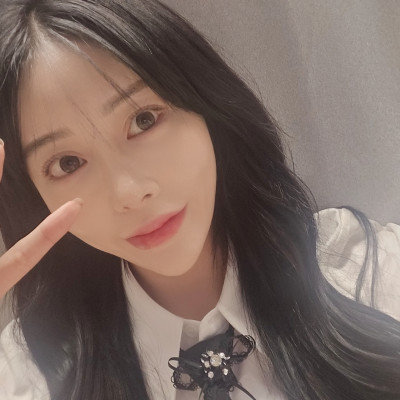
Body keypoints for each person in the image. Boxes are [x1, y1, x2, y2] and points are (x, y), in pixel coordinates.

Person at [0, 0, 399, 399]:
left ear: (206, 106)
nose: (130, 192)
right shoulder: (29, 376)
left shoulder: (362, 273)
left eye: (143, 120)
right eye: (68, 163)